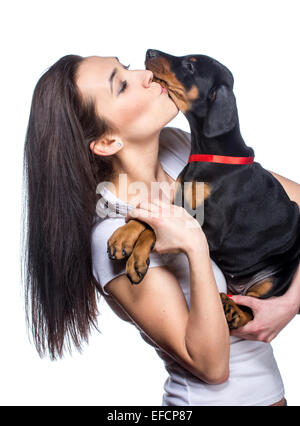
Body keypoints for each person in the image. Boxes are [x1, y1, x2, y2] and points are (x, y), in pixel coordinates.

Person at [22, 54, 300, 406]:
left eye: (126, 66)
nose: (145, 75)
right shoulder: (110, 236)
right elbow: (212, 366)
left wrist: (290, 302)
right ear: (107, 142)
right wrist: (193, 246)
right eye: (121, 85)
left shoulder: (181, 150)